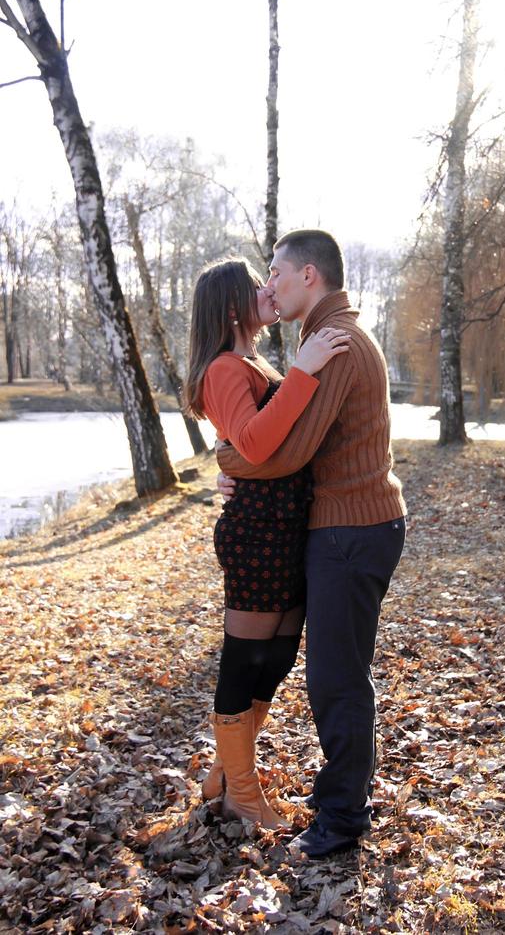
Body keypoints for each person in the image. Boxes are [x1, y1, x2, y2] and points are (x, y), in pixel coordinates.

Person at [215, 230, 407, 857]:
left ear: (309, 276)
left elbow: (285, 452)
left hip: (352, 530)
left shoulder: (338, 346)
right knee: (333, 672)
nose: (268, 284)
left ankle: (343, 817)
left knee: (336, 679)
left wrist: (228, 457)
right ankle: (320, 799)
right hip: (347, 524)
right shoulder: (322, 338)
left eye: (276, 271)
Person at [184, 258, 350, 829]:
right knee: (244, 659)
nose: (267, 289)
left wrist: (228, 460)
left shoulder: (251, 361)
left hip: (284, 522)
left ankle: (226, 772)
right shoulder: (224, 367)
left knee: (275, 657)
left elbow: (261, 442)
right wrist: (303, 370)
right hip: (257, 529)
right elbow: (254, 443)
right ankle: (241, 794)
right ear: (231, 306)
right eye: (255, 284)